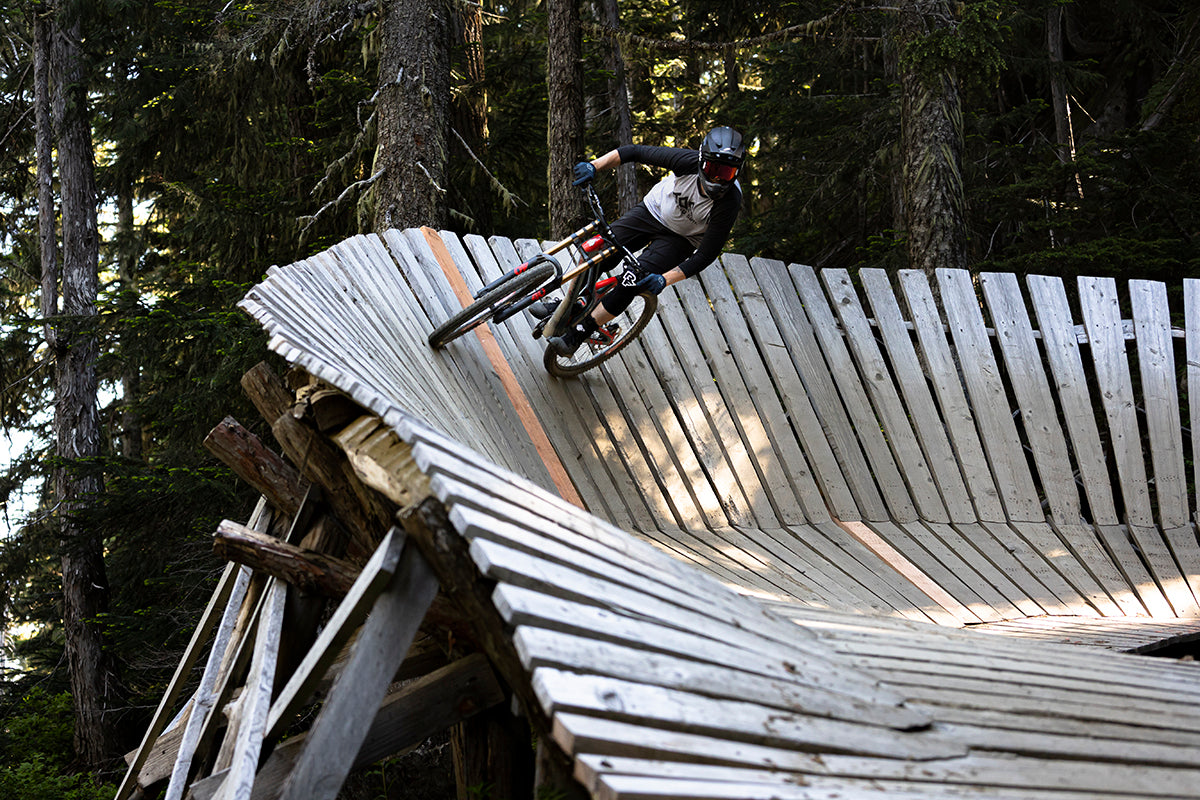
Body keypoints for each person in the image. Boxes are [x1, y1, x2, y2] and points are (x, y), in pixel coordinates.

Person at [545, 125, 747, 356]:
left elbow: (706, 254)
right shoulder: (687, 162)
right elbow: (633, 152)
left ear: (737, 172)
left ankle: (579, 333)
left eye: (726, 173)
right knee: (599, 253)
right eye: (713, 169)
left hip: (682, 239)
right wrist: (594, 166)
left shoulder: (729, 202)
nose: (718, 178)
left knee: (632, 280)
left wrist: (664, 279)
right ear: (701, 161)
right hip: (652, 212)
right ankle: (567, 305)